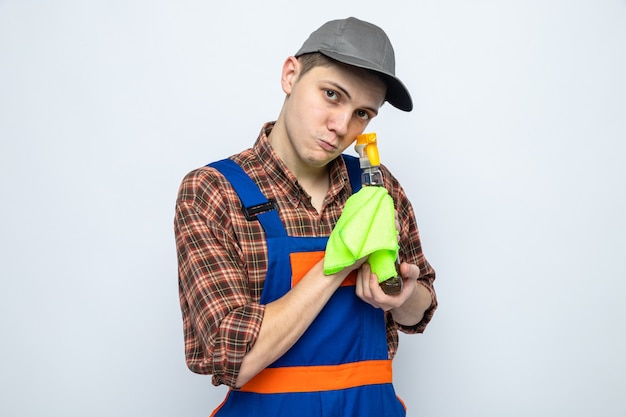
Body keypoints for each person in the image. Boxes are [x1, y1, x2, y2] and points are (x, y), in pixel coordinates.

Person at [174, 16, 437, 416]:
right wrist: (337, 263)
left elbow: (420, 311)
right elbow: (235, 359)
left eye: (363, 113)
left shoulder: (378, 188)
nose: (341, 126)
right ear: (290, 75)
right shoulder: (213, 192)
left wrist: (404, 295)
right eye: (332, 95)